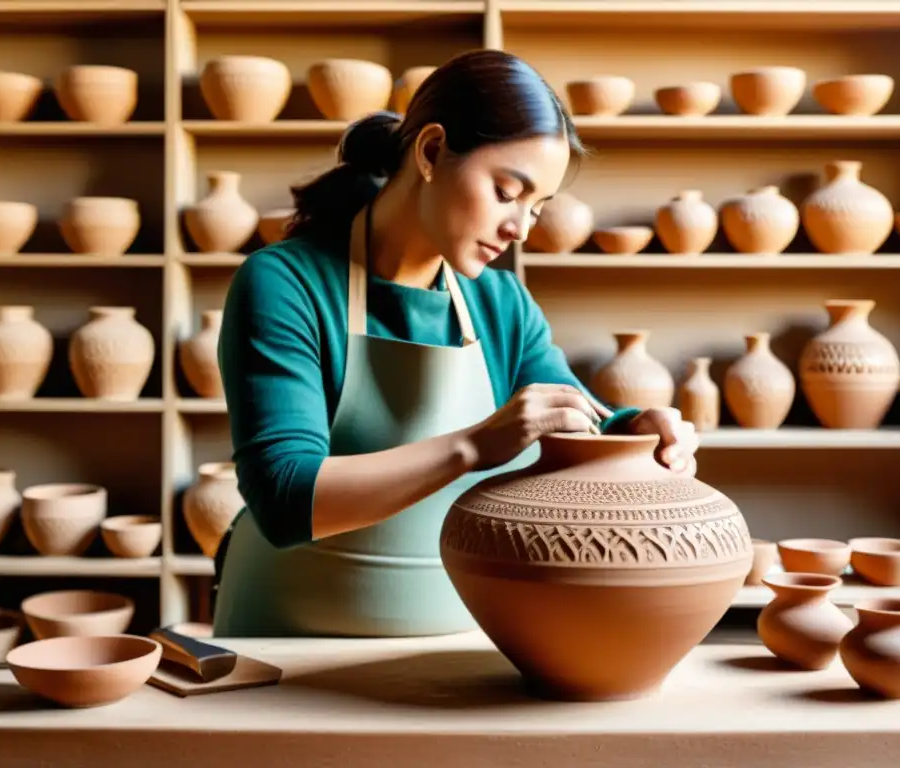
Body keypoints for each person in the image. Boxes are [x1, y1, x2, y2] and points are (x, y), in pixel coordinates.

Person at [211, 48, 700, 638]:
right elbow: (286, 499)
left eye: (537, 207)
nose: (520, 227)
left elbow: (576, 424)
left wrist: (641, 429)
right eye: (506, 191)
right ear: (431, 151)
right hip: (288, 644)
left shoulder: (502, 305)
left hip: (454, 647)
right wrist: (473, 446)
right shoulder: (285, 284)